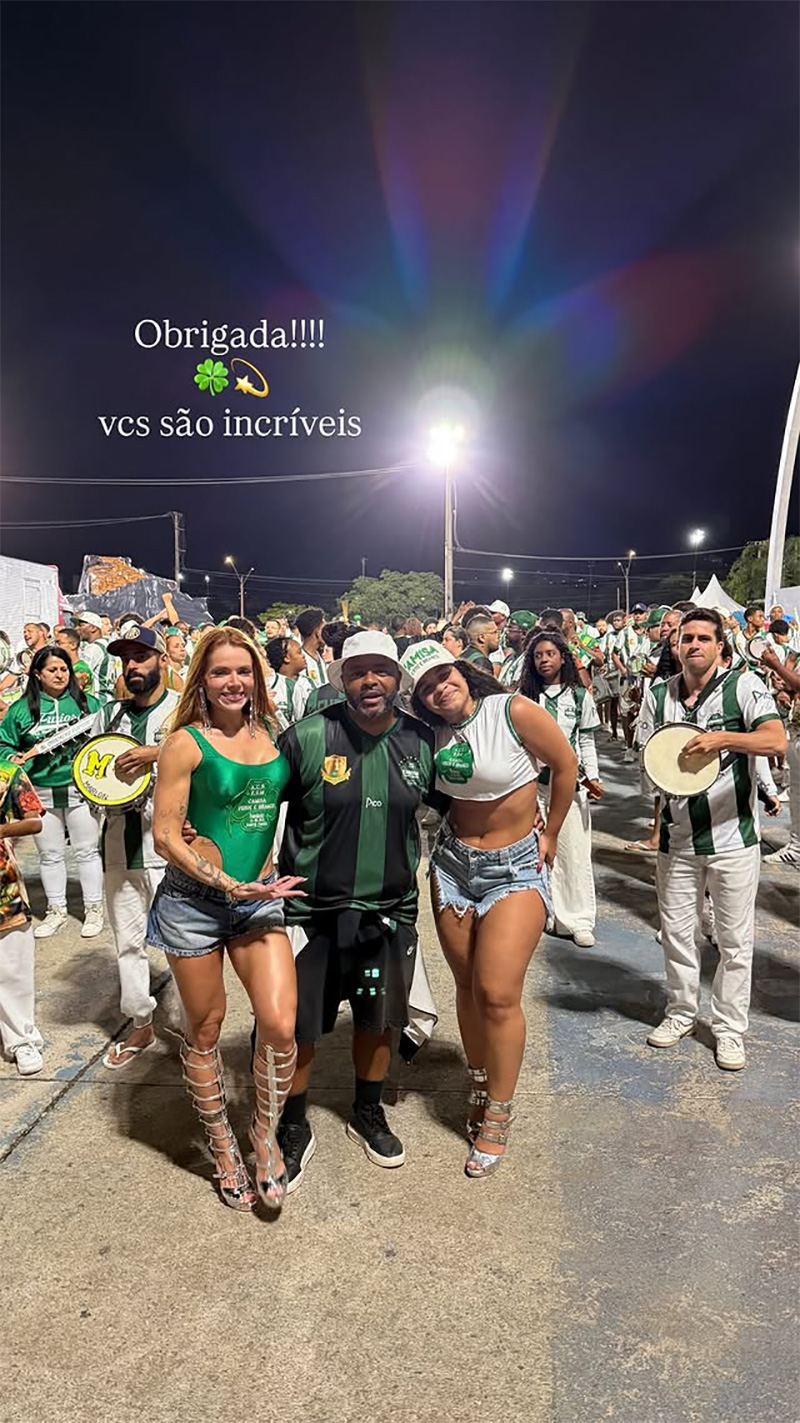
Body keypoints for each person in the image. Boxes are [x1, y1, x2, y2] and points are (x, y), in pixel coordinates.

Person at [275, 631, 446, 1193]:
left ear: (398, 678)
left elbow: (459, 809)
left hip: (386, 913)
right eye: (358, 672)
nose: (370, 681)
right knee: (298, 1028)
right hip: (311, 915)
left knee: (377, 1020)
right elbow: (251, 799)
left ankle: (367, 1112)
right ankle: (293, 1122)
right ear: (340, 678)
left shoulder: (422, 742)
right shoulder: (304, 738)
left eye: (382, 671)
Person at [403, 639, 577, 1177]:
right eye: (426, 688)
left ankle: (499, 1113)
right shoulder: (429, 734)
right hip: (453, 866)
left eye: (442, 676)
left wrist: (551, 836)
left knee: (498, 993)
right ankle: (479, 1081)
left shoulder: (513, 710)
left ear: (460, 670)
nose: (439, 690)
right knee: (466, 987)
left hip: (516, 868)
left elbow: (565, 765)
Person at [148, 627, 305, 1211]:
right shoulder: (186, 742)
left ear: (258, 677)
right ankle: (220, 1146)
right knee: (207, 1030)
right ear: (201, 681)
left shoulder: (275, 738)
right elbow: (165, 835)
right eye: (219, 672)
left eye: (243, 670)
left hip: (259, 900)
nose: (233, 681)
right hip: (193, 904)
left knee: (280, 1025)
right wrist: (224, 880)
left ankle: (263, 1134)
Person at [637, 609, 786, 1071]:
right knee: (678, 936)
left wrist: (724, 738)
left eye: (704, 638)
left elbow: (776, 740)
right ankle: (681, 1012)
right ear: (675, 645)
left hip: (733, 838)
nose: (695, 645)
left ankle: (728, 1028)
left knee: (734, 940)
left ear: (721, 646)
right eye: (687, 638)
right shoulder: (657, 694)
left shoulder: (742, 685)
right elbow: (647, 752)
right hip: (678, 842)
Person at [90, 626, 182, 1070]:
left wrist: (155, 753)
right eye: (126, 658)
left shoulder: (183, 711)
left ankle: (190, 1031)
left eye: (142, 656)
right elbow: (90, 772)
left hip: (171, 848)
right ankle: (141, 1025)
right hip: (118, 846)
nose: (132, 666)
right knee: (127, 942)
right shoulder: (107, 717)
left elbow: (206, 757)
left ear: (162, 660)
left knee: (183, 944)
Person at [0, 647, 103, 939]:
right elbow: (4, 744)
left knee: (86, 851)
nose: (60, 675)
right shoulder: (22, 709)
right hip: (41, 791)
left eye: (64, 669)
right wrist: (14, 759)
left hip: (82, 790)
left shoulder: (89, 704)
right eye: (52, 670)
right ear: (37, 674)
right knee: (50, 854)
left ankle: (93, 908)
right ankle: (56, 909)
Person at [520, 630, 602, 947]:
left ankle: (579, 919)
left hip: (571, 786)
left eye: (550, 654)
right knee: (539, 851)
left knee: (574, 852)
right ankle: (548, 913)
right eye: (538, 655)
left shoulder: (579, 696)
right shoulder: (526, 698)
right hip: (534, 786)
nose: (544, 660)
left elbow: (586, 740)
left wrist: (594, 776)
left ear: (563, 657)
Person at [0, 758, 46, 1075]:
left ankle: (21, 1040)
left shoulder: (8, 772)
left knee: (12, 967)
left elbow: (33, 821)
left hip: (4, 887)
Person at [265, 635, 306, 730]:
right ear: (286, 658)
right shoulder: (253, 687)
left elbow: (301, 726)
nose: (303, 655)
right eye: (299, 652)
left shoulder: (295, 686)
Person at [496, 611, 536, 688]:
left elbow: (516, 689)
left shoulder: (529, 661)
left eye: (510, 628)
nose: (506, 633)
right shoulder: (510, 658)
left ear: (524, 634)